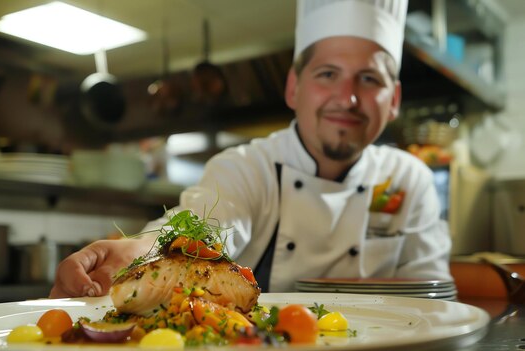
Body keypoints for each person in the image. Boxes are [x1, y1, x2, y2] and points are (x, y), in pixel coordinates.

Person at [50, 0, 452, 298]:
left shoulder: (408, 178)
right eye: (328, 74)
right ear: (294, 88)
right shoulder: (248, 167)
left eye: (369, 79)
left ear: (395, 98)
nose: (346, 98)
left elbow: (432, 296)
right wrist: (140, 251)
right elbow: (205, 225)